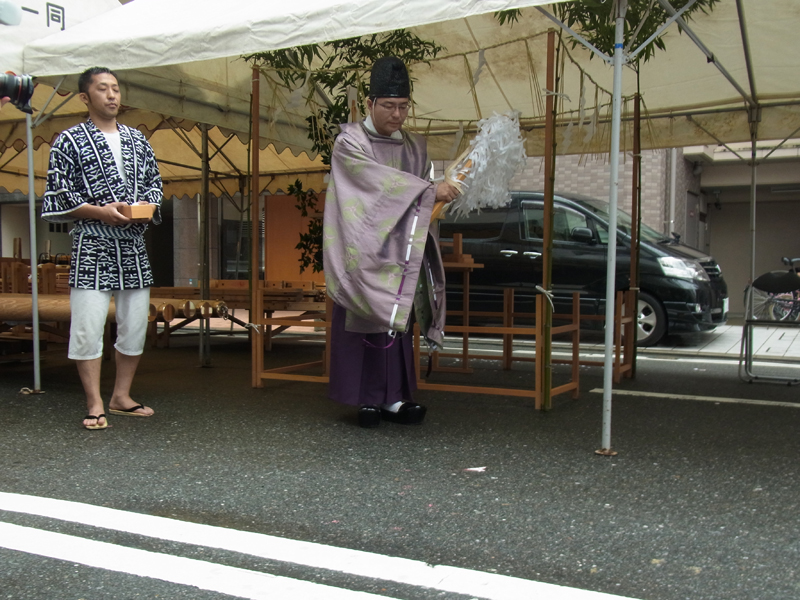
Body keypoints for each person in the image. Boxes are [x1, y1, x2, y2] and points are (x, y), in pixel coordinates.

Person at [323, 56, 460, 428]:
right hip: (362, 248)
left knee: (396, 323)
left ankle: (394, 397)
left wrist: (437, 195)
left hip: (401, 248)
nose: (397, 114)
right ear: (369, 103)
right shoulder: (350, 142)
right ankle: (365, 398)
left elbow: (421, 193)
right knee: (365, 319)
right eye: (388, 106)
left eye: (403, 106)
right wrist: (429, 191)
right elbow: (372, 185)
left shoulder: (415, 146)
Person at [42, 66, 163, 430]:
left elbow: (155, 185)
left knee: (135, 325)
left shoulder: (138, 140)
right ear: (85, 97)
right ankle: (94, 402)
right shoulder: (68, 141)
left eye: (116, 89)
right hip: (92, 243)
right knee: (88, 325)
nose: (112, 95)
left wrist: (145, 207)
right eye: (103, 89)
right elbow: (58, 194)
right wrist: (99, 211)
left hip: (133, 245)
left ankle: (121, 396)